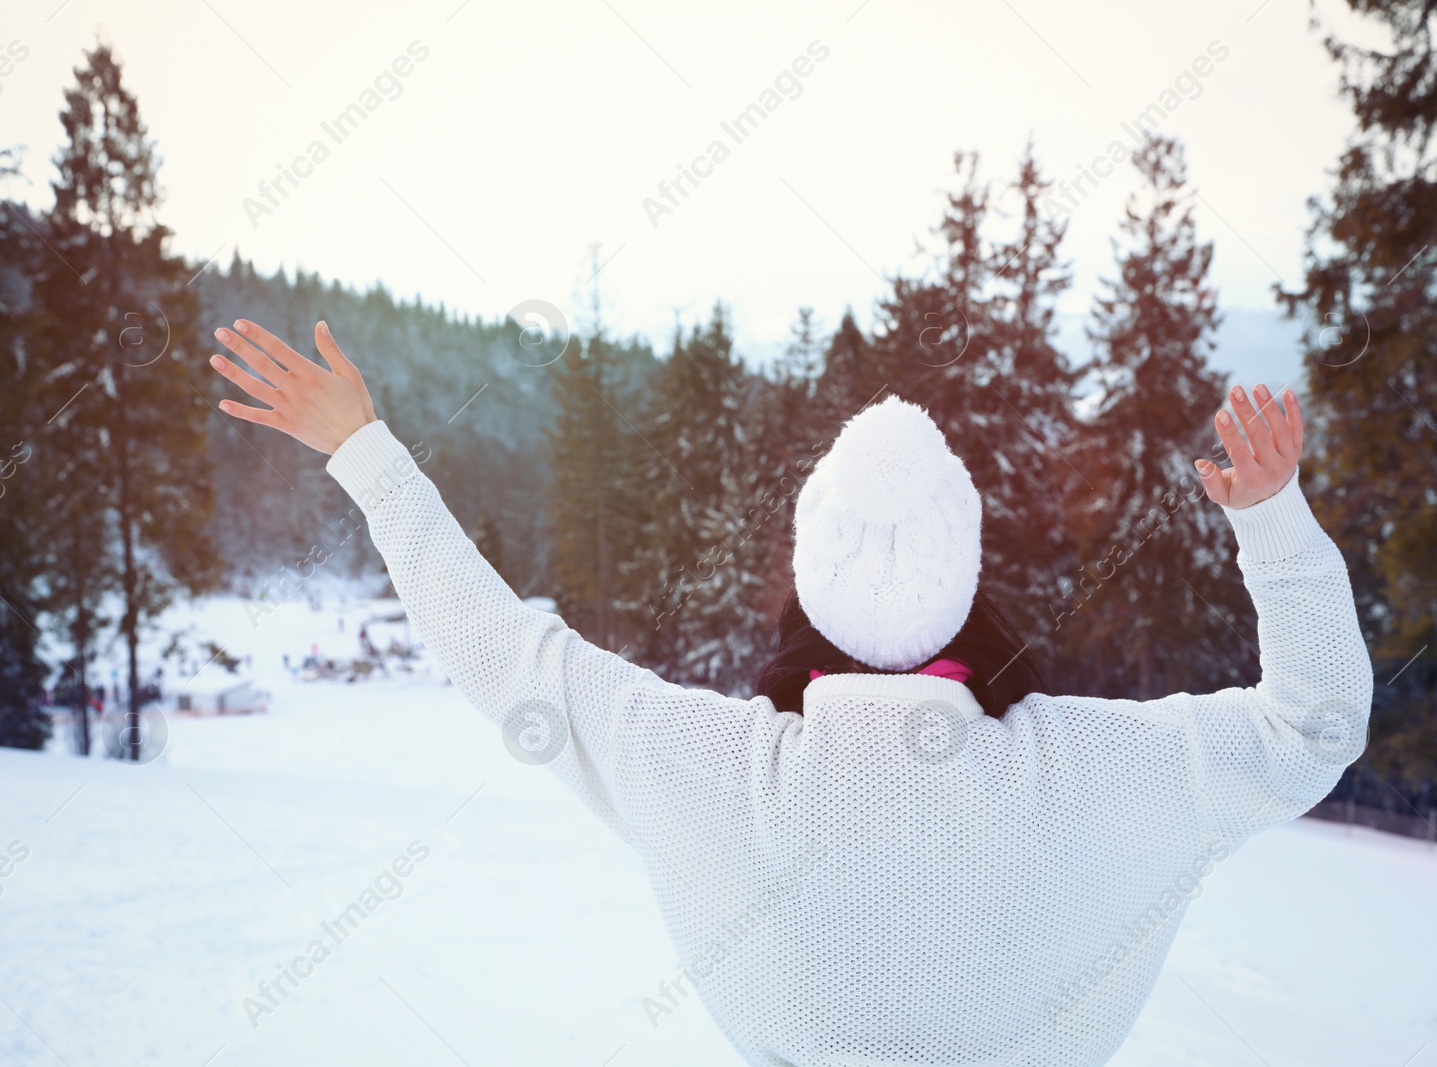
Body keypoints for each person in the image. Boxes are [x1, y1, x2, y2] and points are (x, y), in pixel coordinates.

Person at [210, 319, 1372, 1067]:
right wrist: (1271, 520)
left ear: (808, 591)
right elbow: (1312, 724)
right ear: (968, 585)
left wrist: (364, 450)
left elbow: (496, 650)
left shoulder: (715, 765)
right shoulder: (1083, 767)